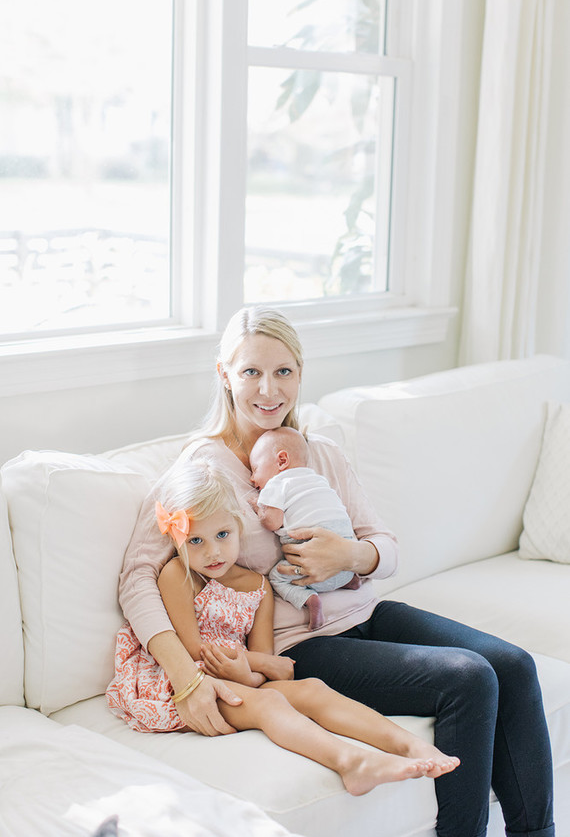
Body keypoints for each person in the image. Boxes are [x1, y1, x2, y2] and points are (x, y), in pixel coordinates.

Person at [119, 306, 555, 837]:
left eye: (284, 372)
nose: (268, 390)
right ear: (224, 375)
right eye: (251, 371)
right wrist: (186, 679)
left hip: (369, 611)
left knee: (514, 664)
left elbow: (386, 547)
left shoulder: (319, 453)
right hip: (302, 642)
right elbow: (138, 575)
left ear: (300, 374)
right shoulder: (201, 470)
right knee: (468, 678)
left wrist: (349, 556)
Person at [107, 461, 459, 795]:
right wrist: (262, 666)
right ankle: (351, 762)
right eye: (195, 541)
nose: (213, 552)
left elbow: (264, 673)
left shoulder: (259, 586)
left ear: (238, 527)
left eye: (222, 534)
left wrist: (251, 671)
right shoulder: (177, 576)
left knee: (313, 689)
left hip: (232, 677)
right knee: (269, 704)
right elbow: (197, 651)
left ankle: (409, 744)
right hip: (180, 685)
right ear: (177, 540)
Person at [250, 426, 361, 630]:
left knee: (277, 576)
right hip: (345, 559)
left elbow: (272, 522)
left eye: (255, 469)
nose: (252, 478)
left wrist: (258, 505)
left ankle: (310, 600)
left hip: (309, 560)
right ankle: (349, 581)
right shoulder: (318, 479)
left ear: (281, 461)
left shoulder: (276, 484)